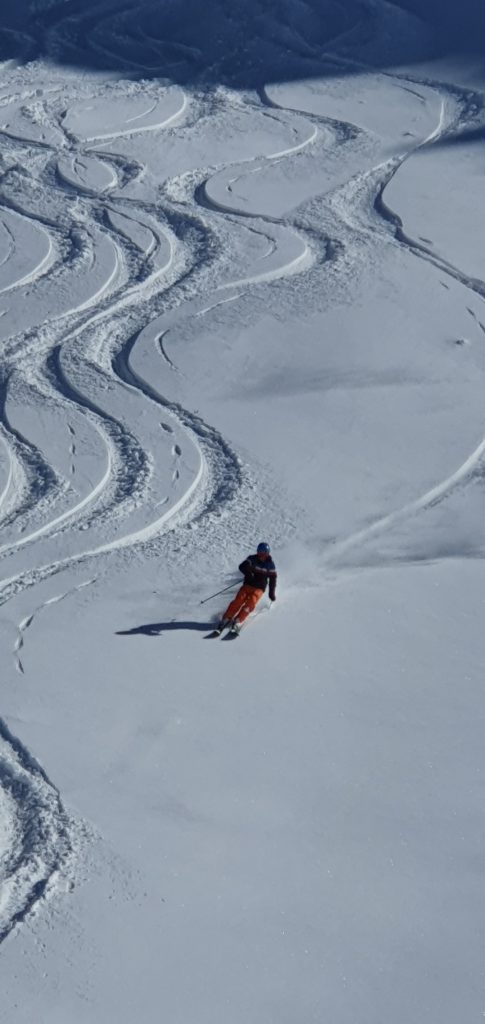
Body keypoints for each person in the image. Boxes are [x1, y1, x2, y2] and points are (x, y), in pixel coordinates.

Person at [217, 542, 277, 634]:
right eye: (259, 552)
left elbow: (273, 579)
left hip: (259, 588)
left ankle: (238, 620)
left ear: (268, 553)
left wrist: (271, 593)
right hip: (247, 585)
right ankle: (226, 618)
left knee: (250, 603)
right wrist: (248, 573)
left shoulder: (270, 565)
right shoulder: (252, 558)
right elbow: (242, 566)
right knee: (238, 601)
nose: (261, 554)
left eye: (263, 552)